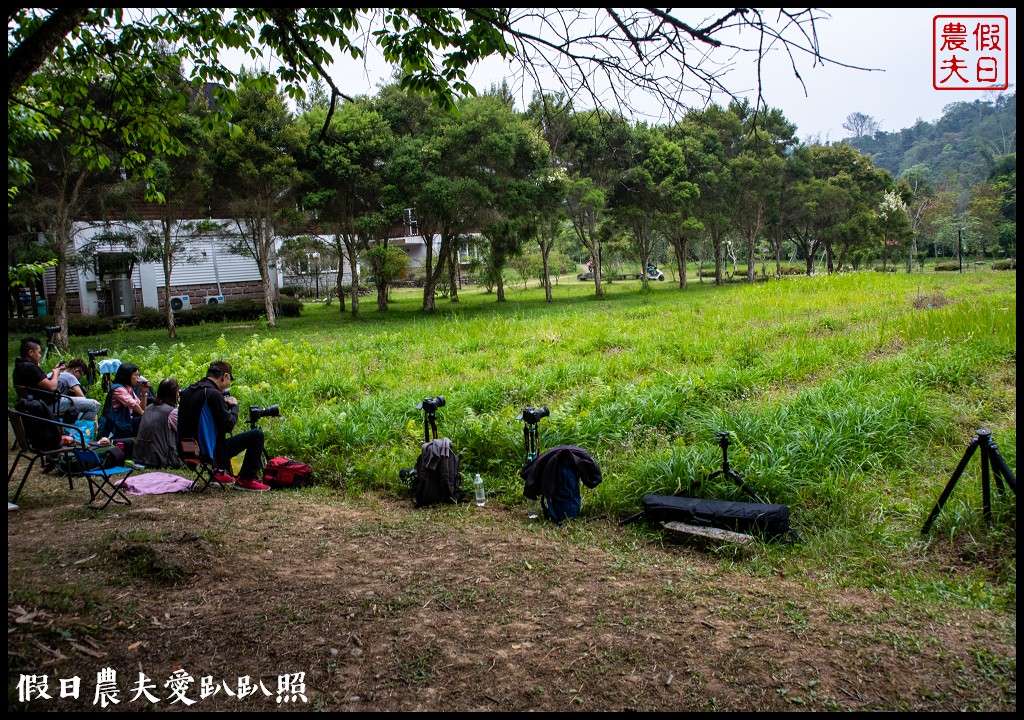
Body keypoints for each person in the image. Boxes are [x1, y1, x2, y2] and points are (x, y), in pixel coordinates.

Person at [177, 360, 269, 492]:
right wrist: (235, 407)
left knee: (214, 436)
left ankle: (218, 473)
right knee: (257, 435)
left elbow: (201, 419)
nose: (228, 385)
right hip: (207, 453)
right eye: (229, 379)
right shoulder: (213, 394)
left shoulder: (188, 392)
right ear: (225, 376)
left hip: (187, 450)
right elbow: (229, 425)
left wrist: (221, 406)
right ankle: (246, 479)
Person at [134, 379, 183, 469]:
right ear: (173, 394)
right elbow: (183, 431)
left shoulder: (148, 408)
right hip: (161, 459)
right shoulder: (171, 412)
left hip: (140, 456)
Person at [98, 363, 149, 439]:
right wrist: (146, 415)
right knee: (144, 419)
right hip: (112, 426)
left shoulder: (128, 389)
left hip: (123, 423)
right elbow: (133, 404)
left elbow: (142, 408)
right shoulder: (118, 389)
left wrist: (144, 393)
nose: (138, 378)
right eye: (135, 375)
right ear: (127, 376)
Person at [13, 336, 62, 408]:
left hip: (32, 404)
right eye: (39, 352)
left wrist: (56, 369)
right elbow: (52, 387)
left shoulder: (19, 367)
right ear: (31, 353)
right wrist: (56, 373)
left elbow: (40, 381)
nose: (40, 355)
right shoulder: (31, 368)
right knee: (84, 403)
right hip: (45, 406)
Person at [56, 358, 102, 423]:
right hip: (55, 405)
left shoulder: (58, 373)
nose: (79, 379)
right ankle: (82, 428)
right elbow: (82, 397)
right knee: (94, 405)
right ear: (75, 371)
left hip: (48, 403)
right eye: (80, 376)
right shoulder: (70, 377)